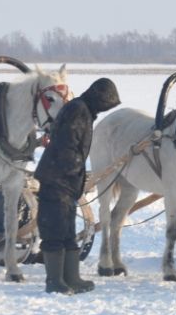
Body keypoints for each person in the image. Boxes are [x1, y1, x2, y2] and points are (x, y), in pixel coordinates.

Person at [34, 78, 121, 294]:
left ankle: (71, 277)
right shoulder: (78, 111)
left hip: (67, 180)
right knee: (55, 229)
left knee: (68, 231)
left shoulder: (83, 110)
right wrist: (74, 170)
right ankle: (54, 280)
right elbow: (67, 145)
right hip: (57, 178)